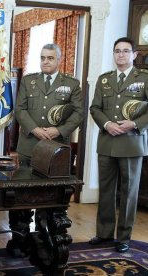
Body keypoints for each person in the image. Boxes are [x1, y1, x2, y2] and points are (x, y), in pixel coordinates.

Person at [89, 37, 148, 253]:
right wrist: (106, 123)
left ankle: (124, 237)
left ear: (134, 55)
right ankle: (104, 233)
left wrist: (134, 123)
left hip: (132, 143)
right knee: (106, 190)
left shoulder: (144, 78)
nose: (120, 55)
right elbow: (95, 108)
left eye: (125, 51)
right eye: (117, 51)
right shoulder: (104, 79)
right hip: (107, 141)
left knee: (129, 192)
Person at [15, 43, 83, 165]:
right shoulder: (28, 80)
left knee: (52, 184)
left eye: (50, 58)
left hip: (56, 144)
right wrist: (34, 129)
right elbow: (20, 109)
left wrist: (59, 130)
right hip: (29, 144)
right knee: (24, 182)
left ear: (59, 60)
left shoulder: (72, 84)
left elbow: (79, 113)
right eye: (42, 58)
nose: (45, 61)